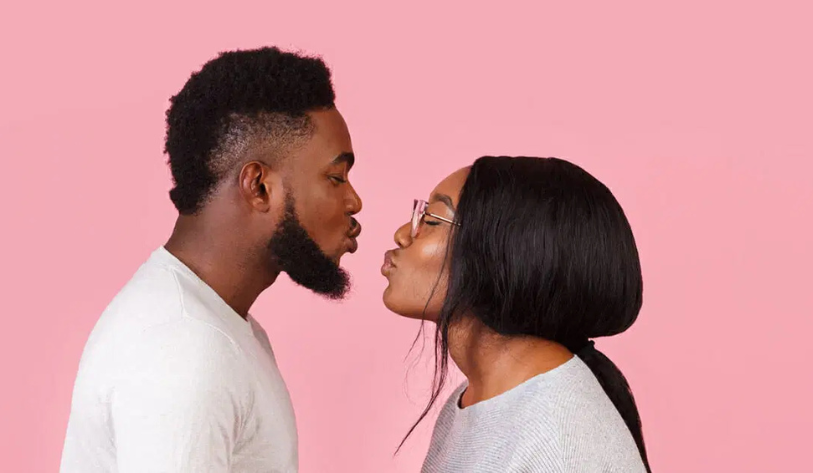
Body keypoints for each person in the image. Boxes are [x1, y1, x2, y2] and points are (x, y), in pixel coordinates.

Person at [60, 47, 362, 473]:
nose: (354, 201)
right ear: (259, 187)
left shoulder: (213, 326)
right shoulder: (185, 348)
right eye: (336, 177)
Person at [381, 156, 650, 472]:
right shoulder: (473, 404)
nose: (402, 234)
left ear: (504, 254)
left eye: (431, 220)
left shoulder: (557, 434)